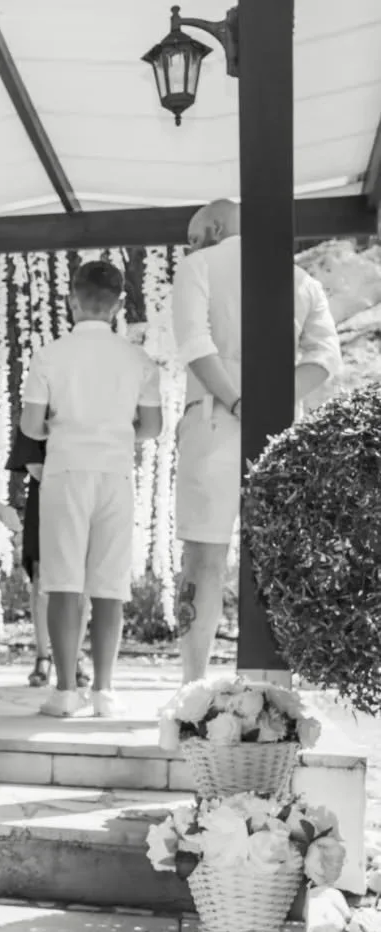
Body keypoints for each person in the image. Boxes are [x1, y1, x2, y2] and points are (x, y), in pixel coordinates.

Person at [170, 198, 342, 683]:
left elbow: (194, 344)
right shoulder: (301, 281)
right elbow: (326, 357)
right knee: (274, 558)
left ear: (216, 225)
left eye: (195, 234)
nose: (192, 244)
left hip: (212, 420)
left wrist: (237, 402)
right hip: (281, 428)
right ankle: (272, 686)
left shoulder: (198, 267)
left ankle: (194, 685)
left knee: (203, 556)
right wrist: (270, 403)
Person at [19, 261, 163, 718]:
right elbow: (153, 426)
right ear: (119, 305)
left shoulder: (49, 355)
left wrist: (60, 427)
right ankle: (103, 691)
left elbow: (29, 425)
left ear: (71, 301)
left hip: (65, 469)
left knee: (63, 581)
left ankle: (64, 691)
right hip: (115, 472)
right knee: (109, 584)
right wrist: (117, 431)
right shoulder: (138, 359)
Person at [6, 432, 93, 690]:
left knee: (81, 578)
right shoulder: (41, 395)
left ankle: (74, 655)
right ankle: (43, 656)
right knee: (42, 577)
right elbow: (32, 460)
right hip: (47, 492)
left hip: (88, 492)